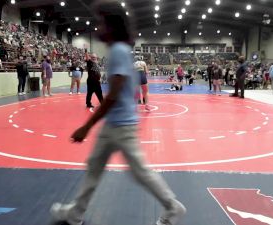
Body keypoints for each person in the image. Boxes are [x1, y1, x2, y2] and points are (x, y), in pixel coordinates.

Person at [50, 1, 186, 225]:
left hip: (121, 126)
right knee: (95, 165)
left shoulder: (119, 52)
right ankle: (76, 213)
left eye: (102, 23)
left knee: (139, 171)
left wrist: (87, 126)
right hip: (116, 124)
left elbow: (113, 95)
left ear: (112, 26)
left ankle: (173, 207)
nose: (98, 28)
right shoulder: (120, 51)